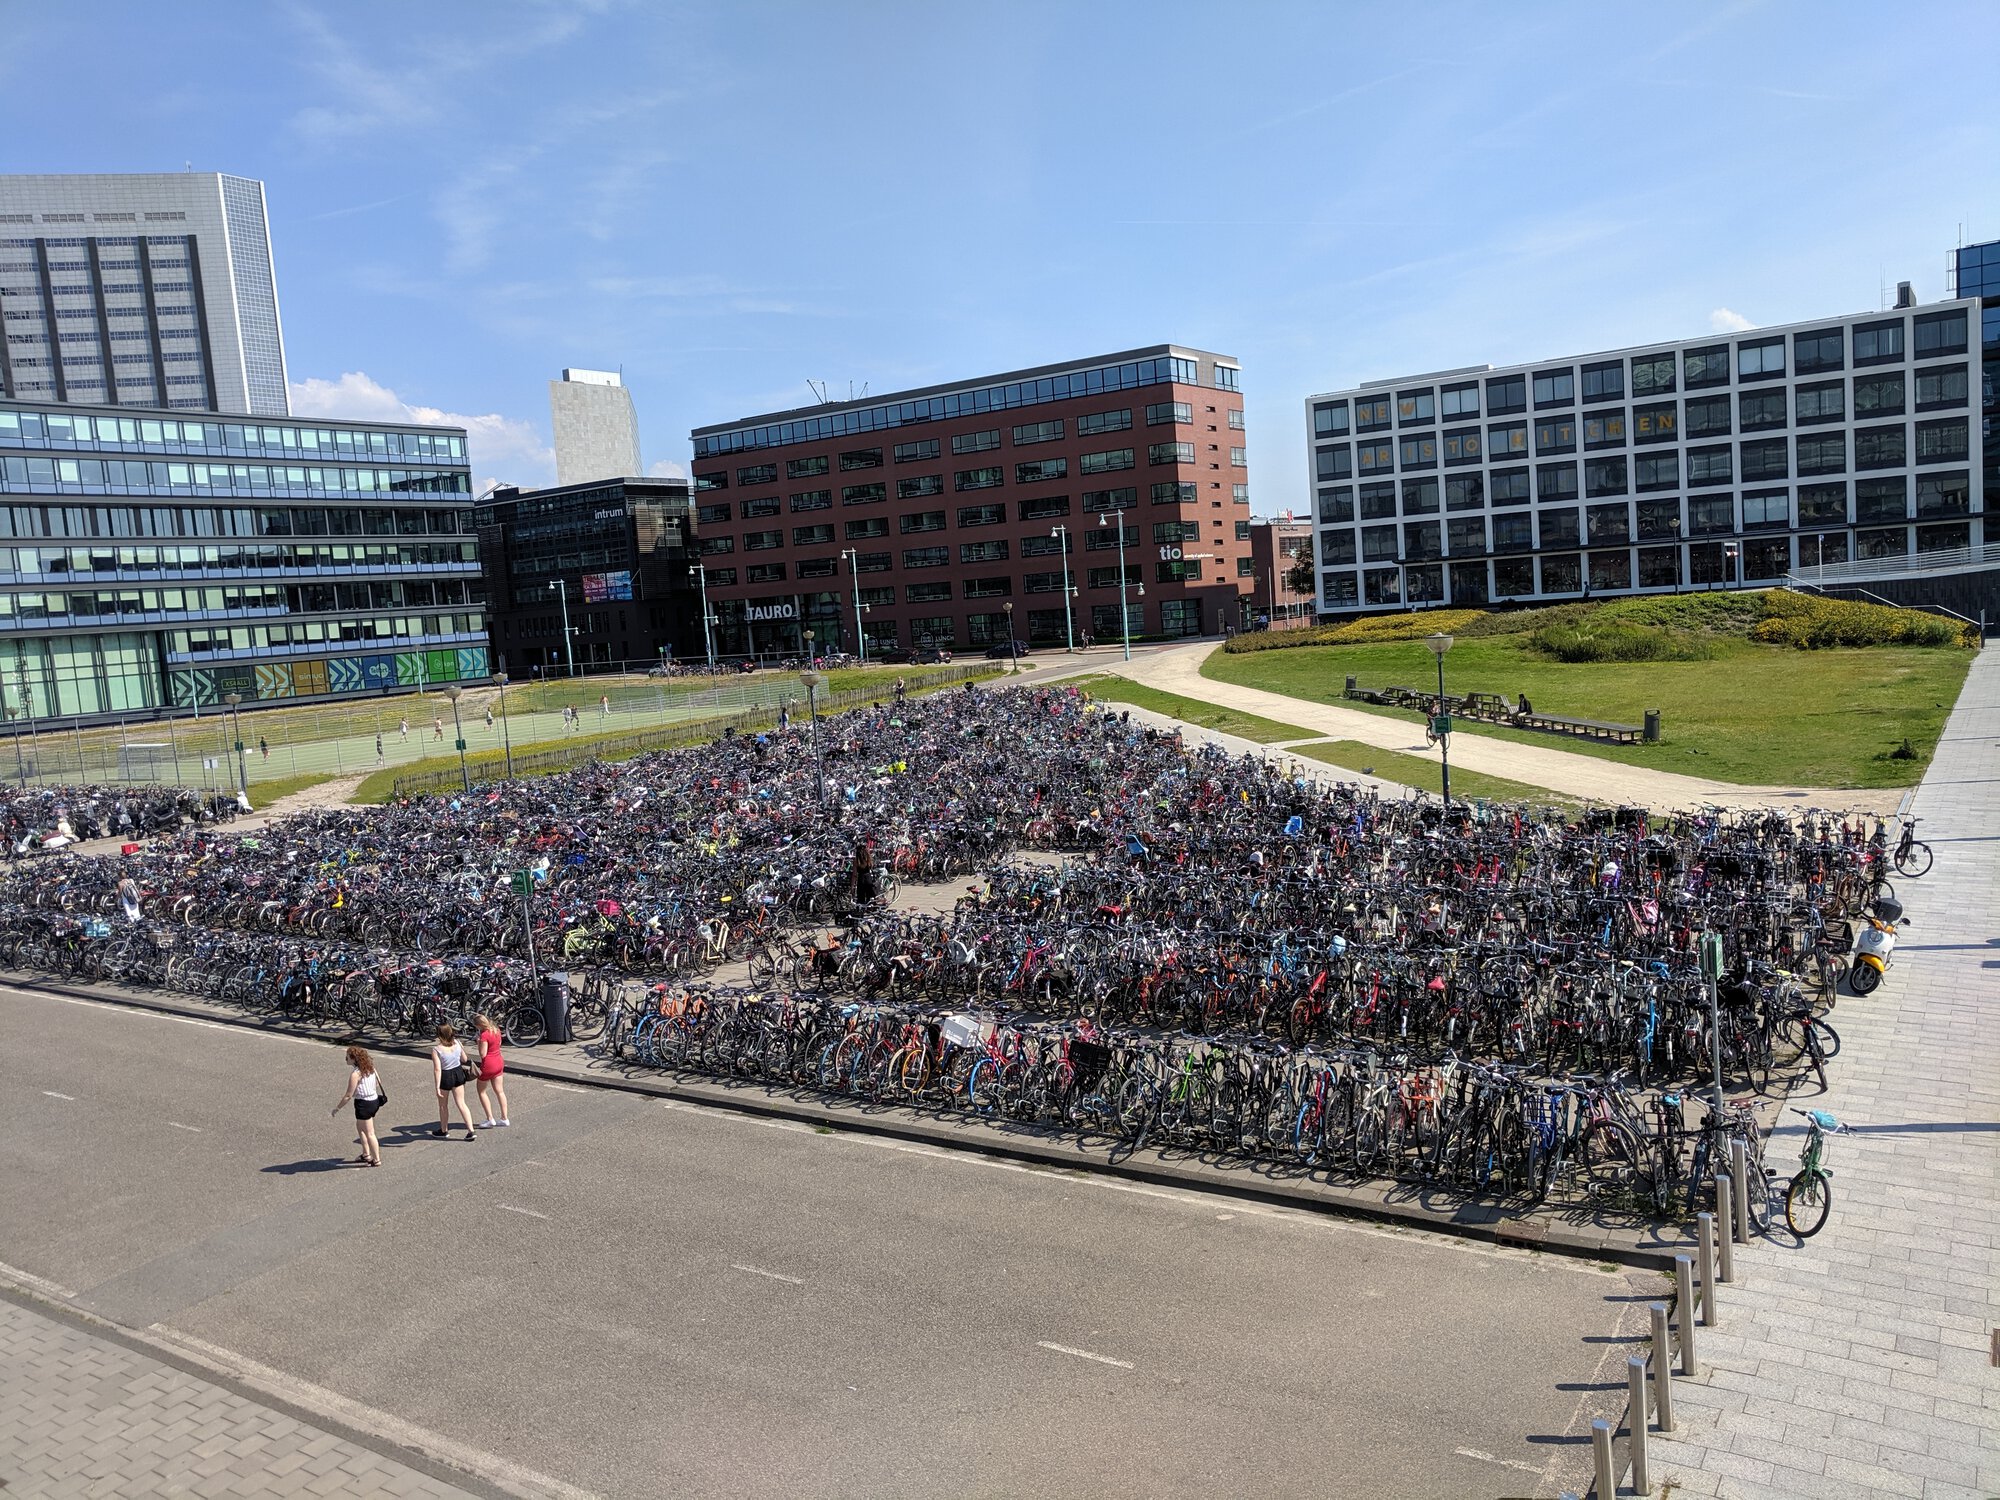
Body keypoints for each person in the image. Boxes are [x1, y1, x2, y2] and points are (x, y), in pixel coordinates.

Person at [331, 1044, 384, 1167]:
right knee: (360, 1128)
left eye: (348, 1057)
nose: (346, 1059)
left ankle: (376, 1159)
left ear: (354, 1059)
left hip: (363, 1104)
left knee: (370, 1133)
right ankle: (366, 1154)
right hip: (374, 1101)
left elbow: (348, 1095)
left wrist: (337, 1108)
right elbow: (378, 1082)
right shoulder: (371, 1068)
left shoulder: (355, 1074)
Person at [430, 1023, 480, 1140]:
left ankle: (444, 1130)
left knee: (443, 1105)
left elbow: (437, 1069)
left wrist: (437, 1087)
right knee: (461, 1103)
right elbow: (464, 1059)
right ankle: (471, 1130)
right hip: (458, 1073)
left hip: (445, 1075)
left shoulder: (436, 1050)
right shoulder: (457, 1043)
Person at [471, 1012, 510, 1129]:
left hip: (488, 1065)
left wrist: (478, 1042)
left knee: (482, 1092)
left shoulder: (484, 1035)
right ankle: (504, 1118)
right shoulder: (496, 1030)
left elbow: (483, 1054)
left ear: (479, 1026)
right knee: (500, 1091)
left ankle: (490, 1119)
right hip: (499, 1062)